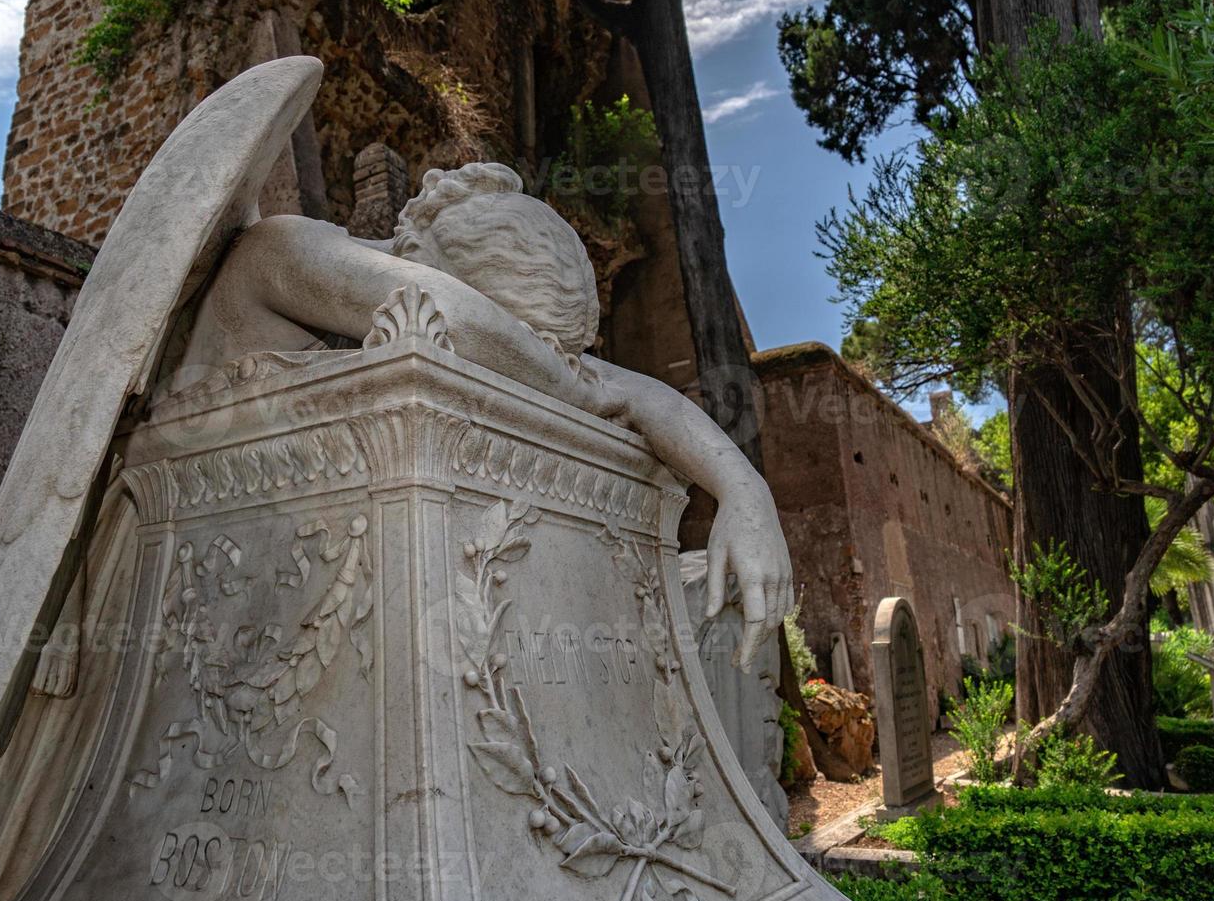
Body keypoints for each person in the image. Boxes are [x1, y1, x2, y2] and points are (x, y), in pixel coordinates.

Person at [184, 162, 794, 665]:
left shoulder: (390, 290)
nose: (540, 370)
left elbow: (613, 382)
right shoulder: (282, 249)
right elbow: (457, 315)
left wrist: (743, 489)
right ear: (418, 256)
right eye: (524, 354)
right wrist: (584, 392)